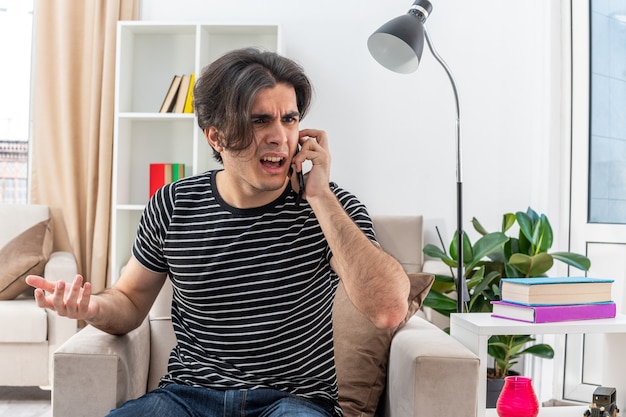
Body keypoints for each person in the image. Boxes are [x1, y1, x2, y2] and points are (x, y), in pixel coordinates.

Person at [26, 48, 410, 417]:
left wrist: (321, 197)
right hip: (188, 396)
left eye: (289, 119)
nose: (280, 136)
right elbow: (128, 301)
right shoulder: (174, 204)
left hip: (295, 401)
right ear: (216, 136)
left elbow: (389, 309)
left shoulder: (329, 207)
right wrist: (92, 308)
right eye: (260, 121)